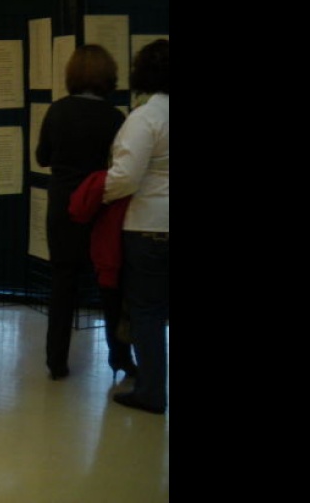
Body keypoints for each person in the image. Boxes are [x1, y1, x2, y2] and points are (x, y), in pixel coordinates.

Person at [35, 45, 132, 381]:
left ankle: (56, 361)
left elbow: (42, 158)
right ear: (108, 77)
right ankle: (119, 358)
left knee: (62, 283)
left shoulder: (57, 111)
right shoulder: (116, 117)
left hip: (63, 205)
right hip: (101, 205)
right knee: (109, 283)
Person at [104, 38, 169, 414]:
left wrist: (101, 193)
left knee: (147, 312)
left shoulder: (145, 118)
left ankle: (151, 391)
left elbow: (125, 177)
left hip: (148, 226)